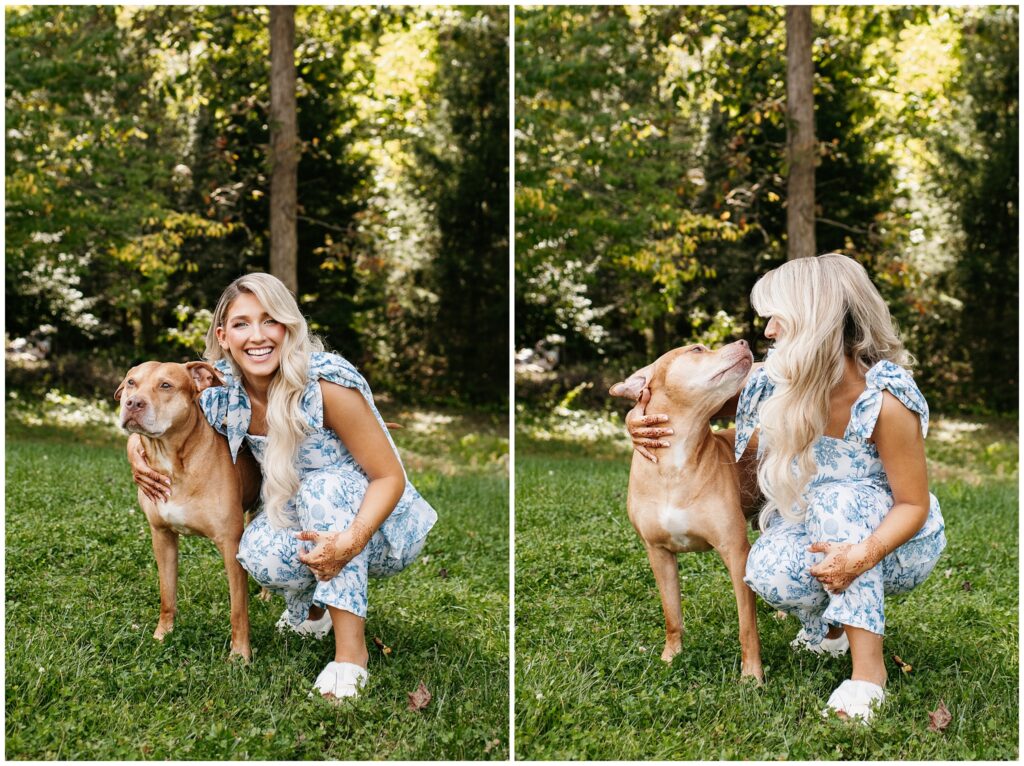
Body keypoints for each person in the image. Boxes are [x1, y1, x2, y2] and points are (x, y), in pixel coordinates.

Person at [626, 254, 946, 722]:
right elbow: (680, 396)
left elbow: (913, 504)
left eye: (778, 317)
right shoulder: (772, 383)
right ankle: (833, 630)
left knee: (840, 496)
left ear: (816, 321)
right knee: (768, 567)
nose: (769, 331)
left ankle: (868, 674)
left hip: (898, 541)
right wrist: (637, 419)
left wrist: (862, 555)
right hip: (824, 527)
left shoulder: (885, 398)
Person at [128, 273, 437, 700]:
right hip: (304, 517)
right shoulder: (220, 389)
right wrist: (134, 444)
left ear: (288, 327)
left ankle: (351, 656)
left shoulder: (325, 384)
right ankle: (313, 613)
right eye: (241, 324)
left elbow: (390, 477)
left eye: (269, 320)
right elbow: (168, 407)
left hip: (377, 524)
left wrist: (350, 541)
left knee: (320, 490)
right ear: (224, 335)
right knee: (255, 550)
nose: (257, 336)